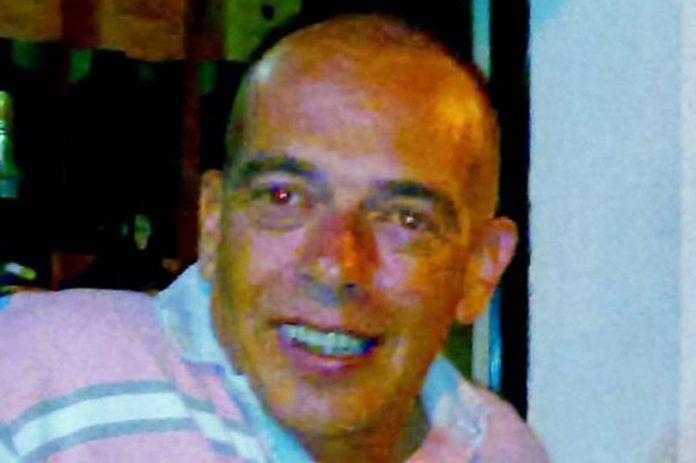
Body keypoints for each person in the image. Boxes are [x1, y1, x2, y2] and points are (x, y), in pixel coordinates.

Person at [0, 14, 548, 462]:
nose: (336, 265)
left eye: (406, 219)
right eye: (284, 198)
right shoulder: (37, 382)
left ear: (481, 267)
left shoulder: (501, 449)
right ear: (214, 224)